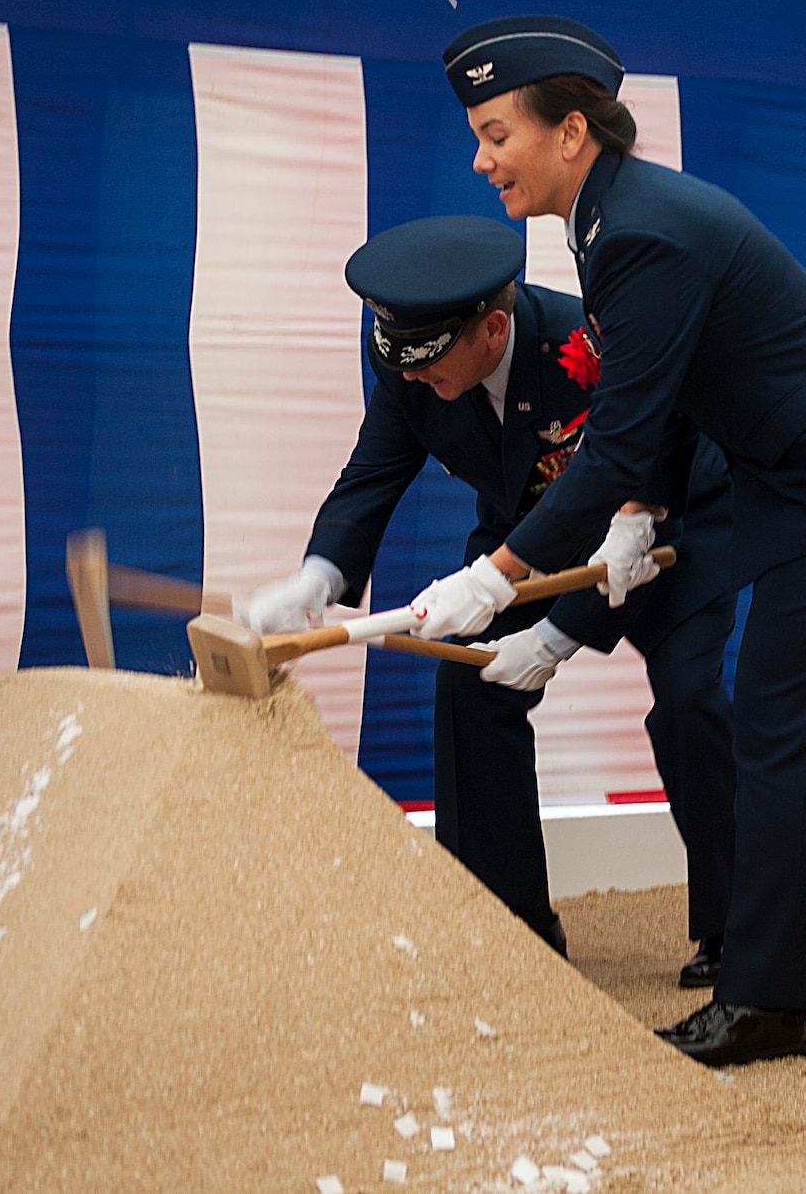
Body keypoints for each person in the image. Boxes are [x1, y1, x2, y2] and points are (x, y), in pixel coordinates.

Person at [409, 16, 806, 1066]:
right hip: (803, 463)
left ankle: (764, 997)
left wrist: (498, 576)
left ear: (569, 131)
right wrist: (635, 516)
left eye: (494, 134)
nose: (479, 159)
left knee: (771, 712)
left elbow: (612, 443)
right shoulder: (613, 217)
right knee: (780, 713)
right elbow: (655, 406)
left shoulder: (637, 231)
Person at [239, 214, 739, 966]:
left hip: (664, 527)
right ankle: (507, 922)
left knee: (690, 697)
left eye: (428, 367)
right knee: (470, 683)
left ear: (494, 332)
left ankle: (740, 930)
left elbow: (636, 480)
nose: (413, 380)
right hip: (522, 540)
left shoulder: (590, 350)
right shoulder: (412, 364)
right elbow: (375, 469)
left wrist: (555, 636)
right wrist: (320, 573)